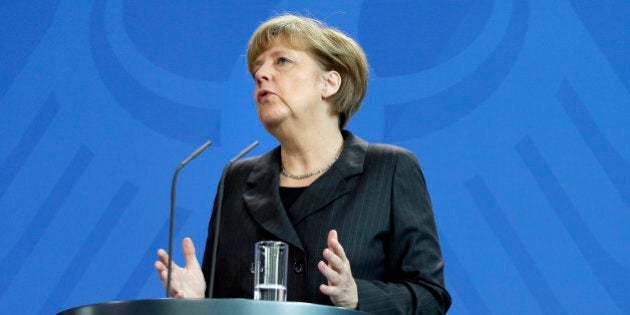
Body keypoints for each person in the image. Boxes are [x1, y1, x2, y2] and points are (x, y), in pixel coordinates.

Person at [155, 14, 451, 314]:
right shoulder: (237, 178)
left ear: (329, 82)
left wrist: (357, 295)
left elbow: (430, 297)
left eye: (281, 61)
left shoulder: (389, 169)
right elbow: (225, 302)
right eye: (257, 68)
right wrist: (198, 303)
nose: (261, 74)